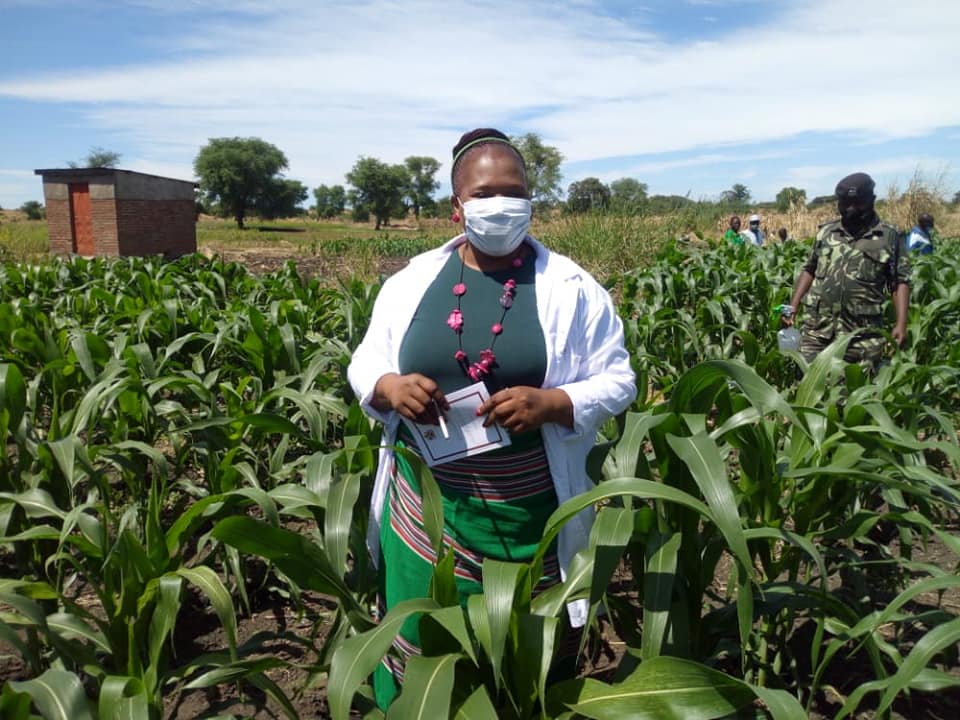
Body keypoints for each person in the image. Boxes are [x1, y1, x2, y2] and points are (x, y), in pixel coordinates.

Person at [347, 128, 636, 708]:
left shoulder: (574, 290)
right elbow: (366, 359)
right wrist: (386, 385)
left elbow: (619, 379)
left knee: (525, 666)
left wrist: (552, 403)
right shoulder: (409, 284)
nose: (500, 203)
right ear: (457, 206)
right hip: (425, 511)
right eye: (484, 193)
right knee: (424, 659)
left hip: (532, 515)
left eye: (515, 190)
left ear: (532, 198)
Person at [782, 172, 910, 366]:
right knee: (807, 386)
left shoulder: (889, 236)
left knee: (854, 389)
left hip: (861, 335)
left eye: (858, 203)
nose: (850, 209)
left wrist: (901, 323)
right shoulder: (826, 232)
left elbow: (899, 281)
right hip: (818, 330)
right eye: (844, 204)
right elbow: (809, 269)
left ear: (871, 200)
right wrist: (793, 305)